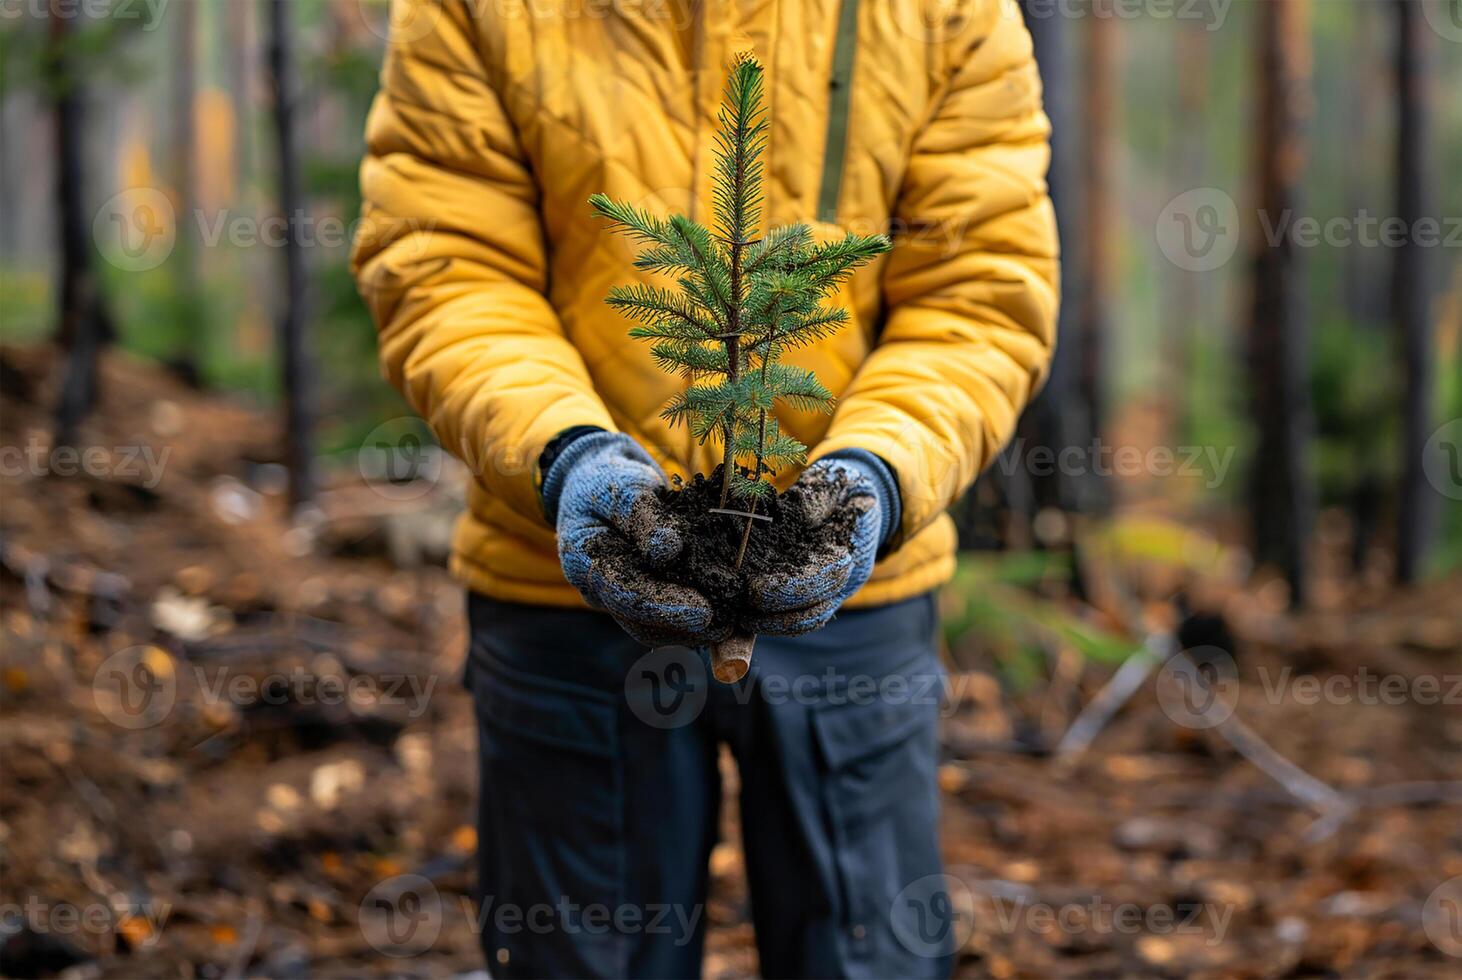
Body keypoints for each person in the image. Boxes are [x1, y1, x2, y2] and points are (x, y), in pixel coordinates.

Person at [352, 1, 1057, 975]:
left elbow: (979, 288)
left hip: (851, 591)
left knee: (865, 954)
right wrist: (565, 456)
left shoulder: (945, 12)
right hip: (569, 578)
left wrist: (876, 476)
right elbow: (444, 264)